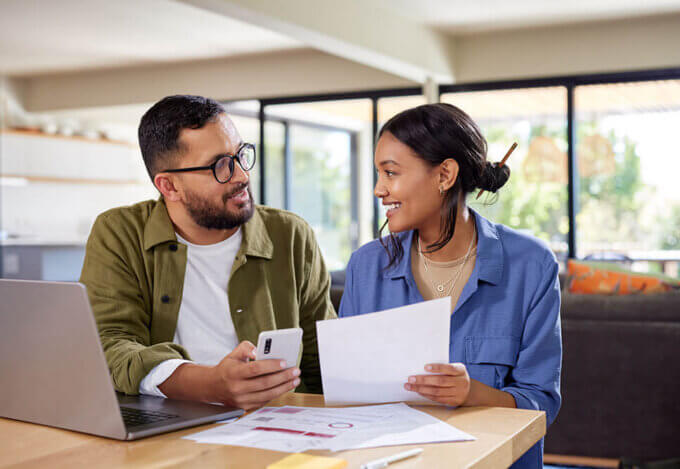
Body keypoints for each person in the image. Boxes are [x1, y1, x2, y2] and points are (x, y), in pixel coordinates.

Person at [338, 103, 561, 469]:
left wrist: (473, 393)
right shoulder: (366, 266)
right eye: (378, 174)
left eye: (390, 173)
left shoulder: (531, 264)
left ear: (445, 175)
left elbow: (541, 405)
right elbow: (349, 395)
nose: (379, 189)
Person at [80, 95, 336, 410]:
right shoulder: (120, 232)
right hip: (166, 424)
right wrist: (210, 385)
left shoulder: (291, 234)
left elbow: (324, 357)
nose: (242, 175)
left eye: (241, 155)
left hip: (278, 421)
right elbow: (110, 346)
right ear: (169, 186)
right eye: (220, 166)